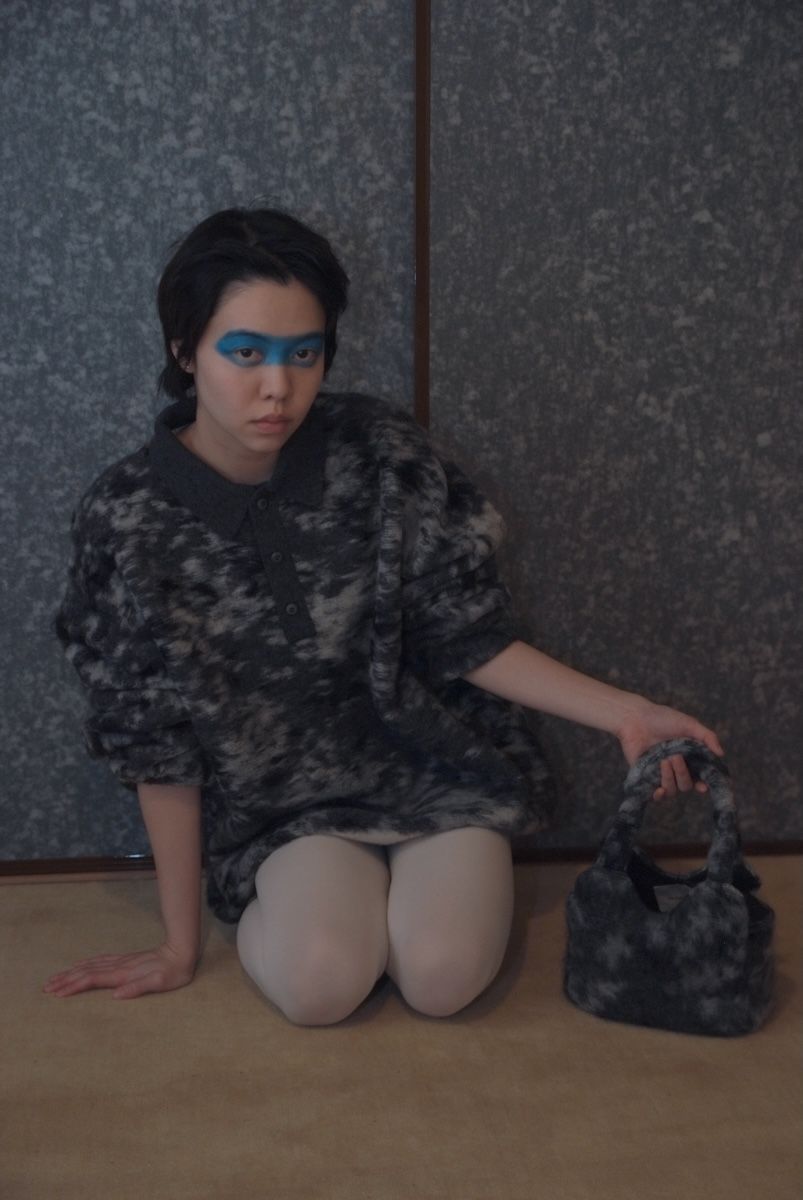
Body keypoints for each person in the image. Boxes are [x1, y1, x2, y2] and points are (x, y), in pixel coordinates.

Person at [44, 206, 724, 1025]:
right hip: (284, 812)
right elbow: (154, 743)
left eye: (304, 353)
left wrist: (626, 713)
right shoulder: (127, 516)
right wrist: (178, 946)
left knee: (441, 979)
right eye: (245, 353)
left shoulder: (377, 448)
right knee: (320, 987)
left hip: (437, 776)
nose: (277, 387)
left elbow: (464, 632)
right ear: (185, 350)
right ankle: (329, 905)